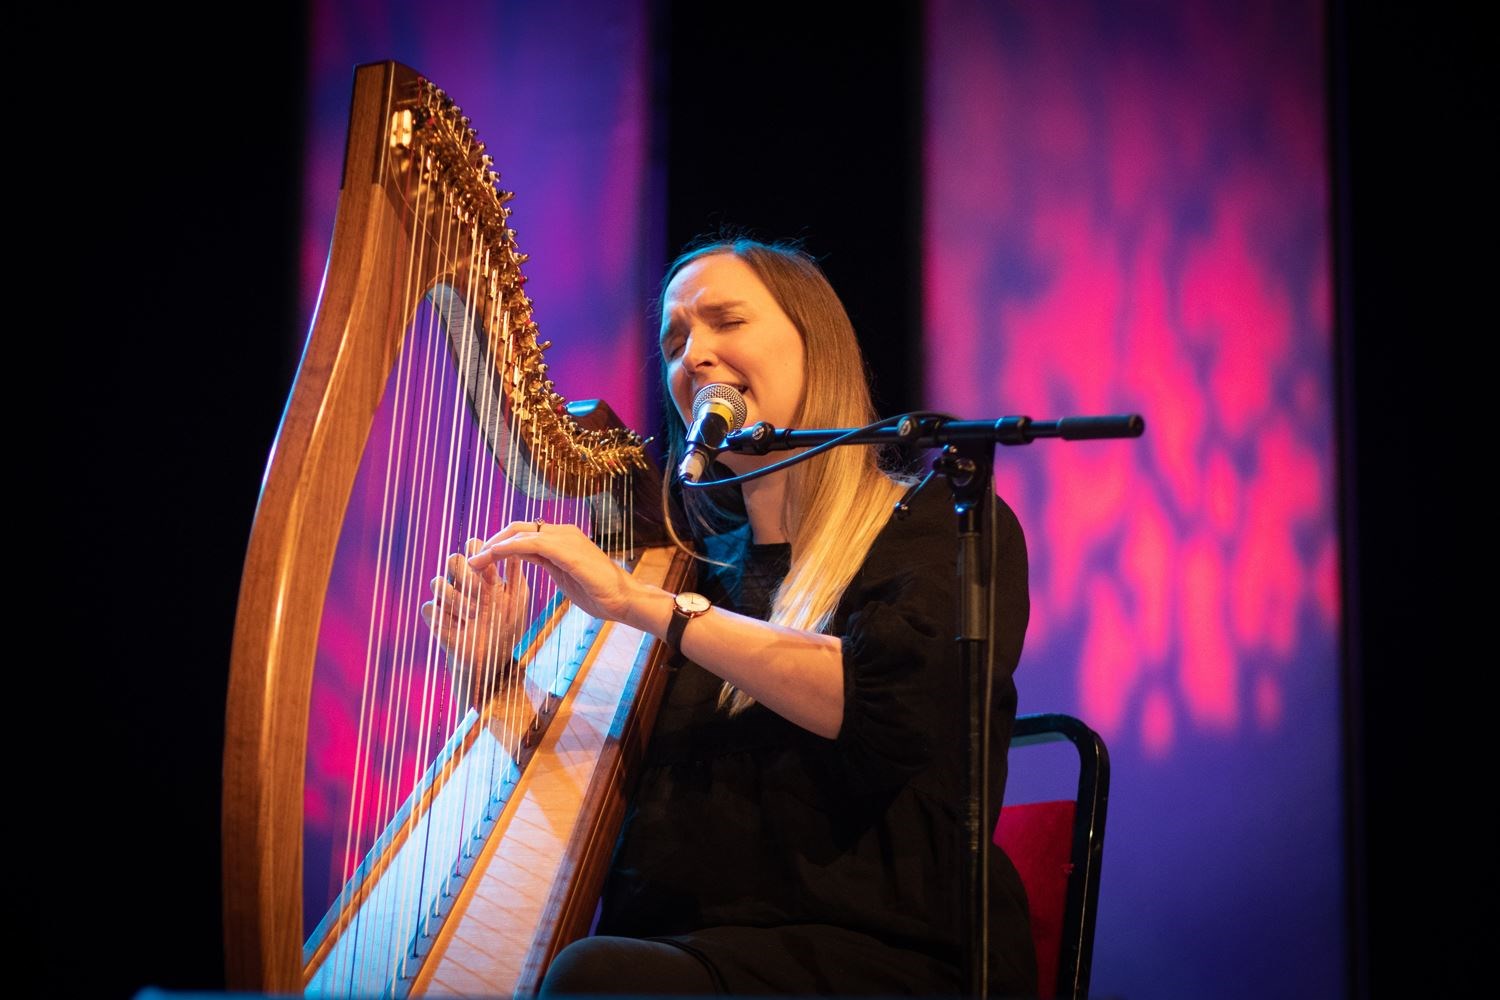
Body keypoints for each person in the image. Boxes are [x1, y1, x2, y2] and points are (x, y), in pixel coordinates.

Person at [423, 237, 1036, 996]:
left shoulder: (939, 521)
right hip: (692, 955)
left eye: (726, 322)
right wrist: (494, 679)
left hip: (882, 954)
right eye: (676, 340)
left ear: (818, 346)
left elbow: (888, 703)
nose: (695, 355)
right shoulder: (702, 568)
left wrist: (641, 605)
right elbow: (622, 789)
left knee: (597, 979)